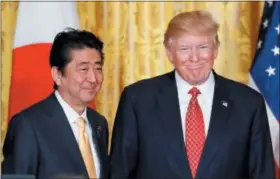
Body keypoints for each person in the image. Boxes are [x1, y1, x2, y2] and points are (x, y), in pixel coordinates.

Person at [109, 10, 275, 179]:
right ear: (169, 53)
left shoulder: (248, 103)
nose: (194, 58)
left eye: (203, 47)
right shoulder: (137, 99)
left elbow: (262, 174)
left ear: (215, 50)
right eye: (184, 48)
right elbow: (120, 172)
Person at [2, 28, 109, 179]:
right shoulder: (27, 125)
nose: (93, 78)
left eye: (98, 69)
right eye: (84, 69)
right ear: (57, 75)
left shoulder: (99, 124)